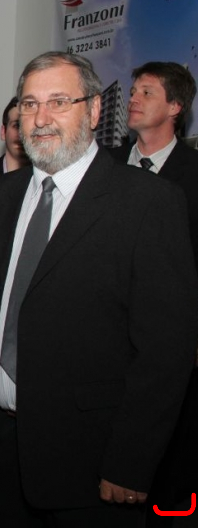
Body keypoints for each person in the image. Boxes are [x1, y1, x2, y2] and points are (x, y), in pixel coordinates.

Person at [0, 51, 198, 528]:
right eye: (29, 104)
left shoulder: (149, 202)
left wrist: (130, 460)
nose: (40, 118)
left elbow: (165, 351)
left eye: (59, 102)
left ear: (95, 110)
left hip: (92, 458)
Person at [108, 61, 198, 527]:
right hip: (102, 345)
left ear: (176, 106)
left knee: (165, 472)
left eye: (147, 92)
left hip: (168, 347)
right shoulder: (102, 166)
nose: (134, 98)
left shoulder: (194, 175)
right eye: (133, 90)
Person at [0, 97, 29, 174]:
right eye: (17, 126)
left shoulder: (46, 178)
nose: (22, 134)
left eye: (28, 127)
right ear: (3, 132)